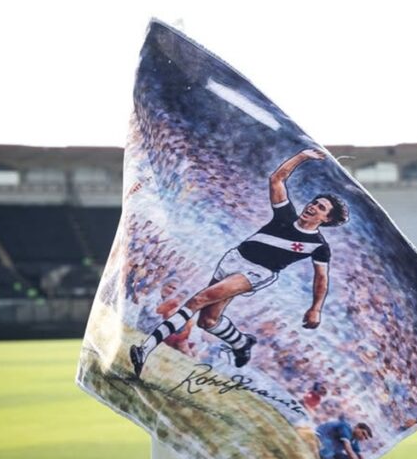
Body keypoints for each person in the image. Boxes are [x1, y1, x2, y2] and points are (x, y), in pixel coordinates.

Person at [129, 148, 349, 378]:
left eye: (321, 208)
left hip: (256, 273)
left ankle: (145, 350)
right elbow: (276, 179)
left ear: (326, 219)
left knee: (198, 299)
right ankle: (242, 343)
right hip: (234, 259)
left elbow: (321, 279)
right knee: (208, 320)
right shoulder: (285, 216)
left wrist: (315, 308)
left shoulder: (318, 246)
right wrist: (302, 156)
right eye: (314, 202)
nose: (313, 206)